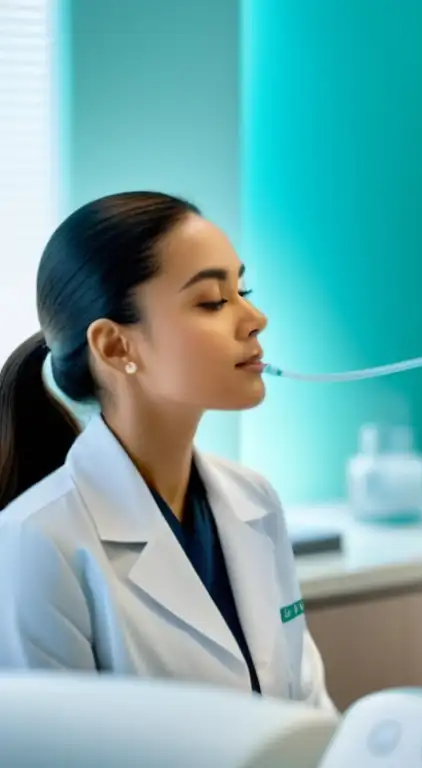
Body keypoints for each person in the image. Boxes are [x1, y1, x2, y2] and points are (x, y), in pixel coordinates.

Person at [0, 191, 333, 710]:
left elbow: (310, 715)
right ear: (115, 346)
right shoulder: (36, 541)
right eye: (213, 301)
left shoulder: (255, 499)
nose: (255, 318)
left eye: (242, 289)